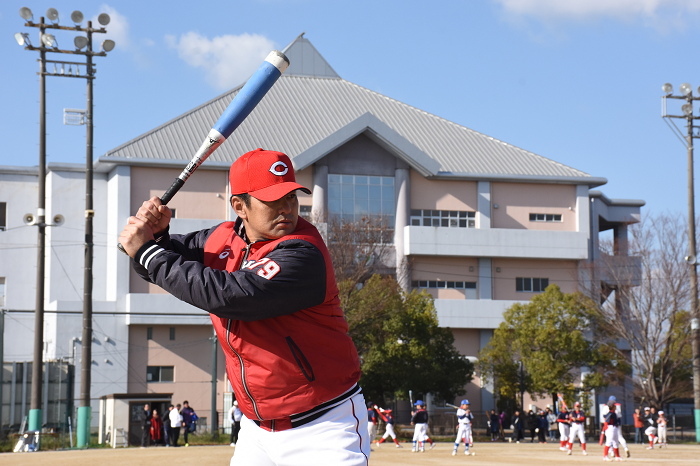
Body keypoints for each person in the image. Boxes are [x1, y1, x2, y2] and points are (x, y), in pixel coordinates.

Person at [120, 149, 367, 465]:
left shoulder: (303, 251)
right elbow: (159, 265)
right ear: (240, 206)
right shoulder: (220, 239)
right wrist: (156, 236)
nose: (287, 209)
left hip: (323, 424)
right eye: (272, 200)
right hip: (256, 429)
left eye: (291, 197)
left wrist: (147, 251)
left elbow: (230, 295)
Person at [600, 396, 621, 462]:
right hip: (610, 428)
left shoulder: (614, 413)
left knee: (616, 442)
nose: (615, 406)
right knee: (609, 442)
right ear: (611, 406)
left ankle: (617, 456)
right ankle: (605, 456)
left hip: (614, 428)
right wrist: (605, 428)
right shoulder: (610, 413)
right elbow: (606, 421)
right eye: (614, 405)